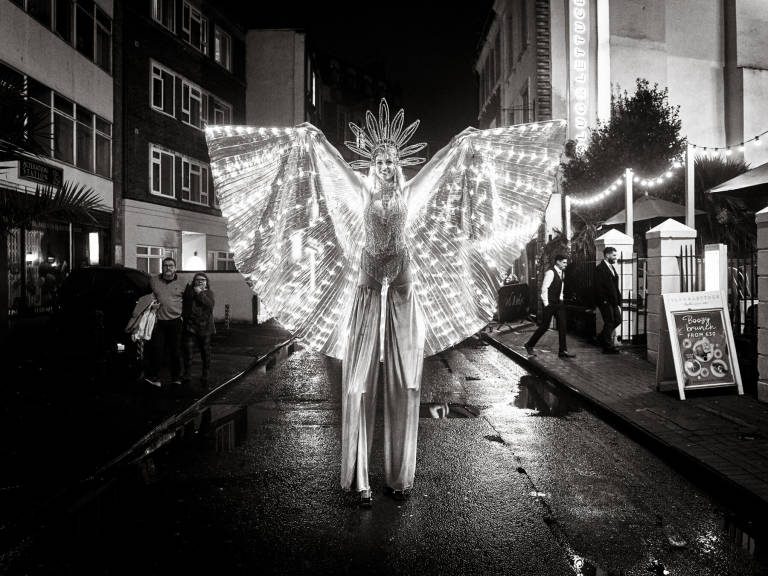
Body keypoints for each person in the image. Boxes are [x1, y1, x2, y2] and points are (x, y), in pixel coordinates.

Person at [204, 99, 567, 508]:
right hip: (365, 283)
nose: (385, 165)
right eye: (379, 159)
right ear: (371, 164)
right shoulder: (361, 191)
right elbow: (334, 166)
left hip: (404, 285)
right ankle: (359, 479)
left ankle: (399, 477)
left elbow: (438, 169)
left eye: (391, 159)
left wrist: (457, 144)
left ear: (398, 163)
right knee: (357, 385)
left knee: (408, 382)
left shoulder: (410, 193)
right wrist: (317, 139)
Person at [524, 254, 575, 359]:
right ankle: (529, 344)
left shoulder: (562, 273)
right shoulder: (550, 272)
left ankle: (563, 351)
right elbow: (544, 289)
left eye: (566, 262)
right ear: (558, 262)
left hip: (558, 303)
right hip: (550, 304)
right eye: (564, 262)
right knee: (544, 326)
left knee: (562, 325)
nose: (566, 264)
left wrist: (561, 298)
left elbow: (561, 287)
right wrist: (546, 304)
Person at [145, 257, 184, 387]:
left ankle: (176, 378)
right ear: (162, 267)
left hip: (175, 321)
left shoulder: (183, 282)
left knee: (175, 351)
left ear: (175, 268)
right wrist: (151, 305)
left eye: (171, 265)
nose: (168, 268)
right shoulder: (153, 281)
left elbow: (188, 301)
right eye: (165, 265)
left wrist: (184, 316)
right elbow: (147, 297)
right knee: (157, 350)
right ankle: (155, 378)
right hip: (158, 321)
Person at [182, 272, 216, 388]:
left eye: (203, 280)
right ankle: (187, 374)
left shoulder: (209, 293)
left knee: (205, 352)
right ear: (194, 281)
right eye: (198, 279)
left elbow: (210, 305)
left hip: (205, 328)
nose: (200, 281)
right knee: (188, 352)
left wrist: (200, 293)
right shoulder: (189, 292)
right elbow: (185, 305)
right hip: (191, 327)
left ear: (206, 282)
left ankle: (205, 374)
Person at [594, 246, 622, 353]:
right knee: (609, 322)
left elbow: (614, 286)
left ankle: (601, 338)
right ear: (607, 255)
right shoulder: (600, 269)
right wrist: (604, 301)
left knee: (618, 320)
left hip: (613, 301)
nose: (615, 257)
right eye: (614, 255)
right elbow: (597, 287)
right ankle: (607, 347)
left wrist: (618, 300)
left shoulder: (611, 267)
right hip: (605, 302)